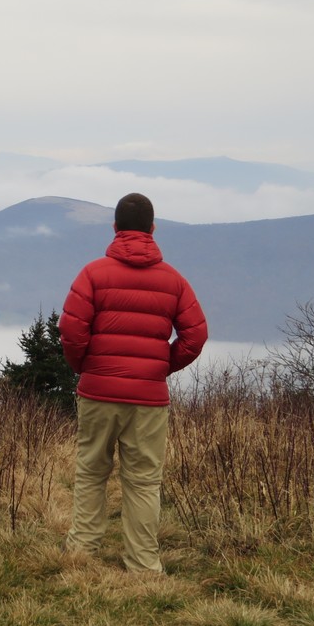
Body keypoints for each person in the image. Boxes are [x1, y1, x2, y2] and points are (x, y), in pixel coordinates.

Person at [59, 192, 207, 572]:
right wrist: (158, 368)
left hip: (98, 391)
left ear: (115, 228)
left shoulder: (92, 274)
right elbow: (195, 336)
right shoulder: (174, 281)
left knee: (92, 471)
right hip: (148, 399)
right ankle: (142, 564)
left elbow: (72, 332)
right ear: (153, 228)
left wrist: (87, 367)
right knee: (143, 481)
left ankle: (82, 551)